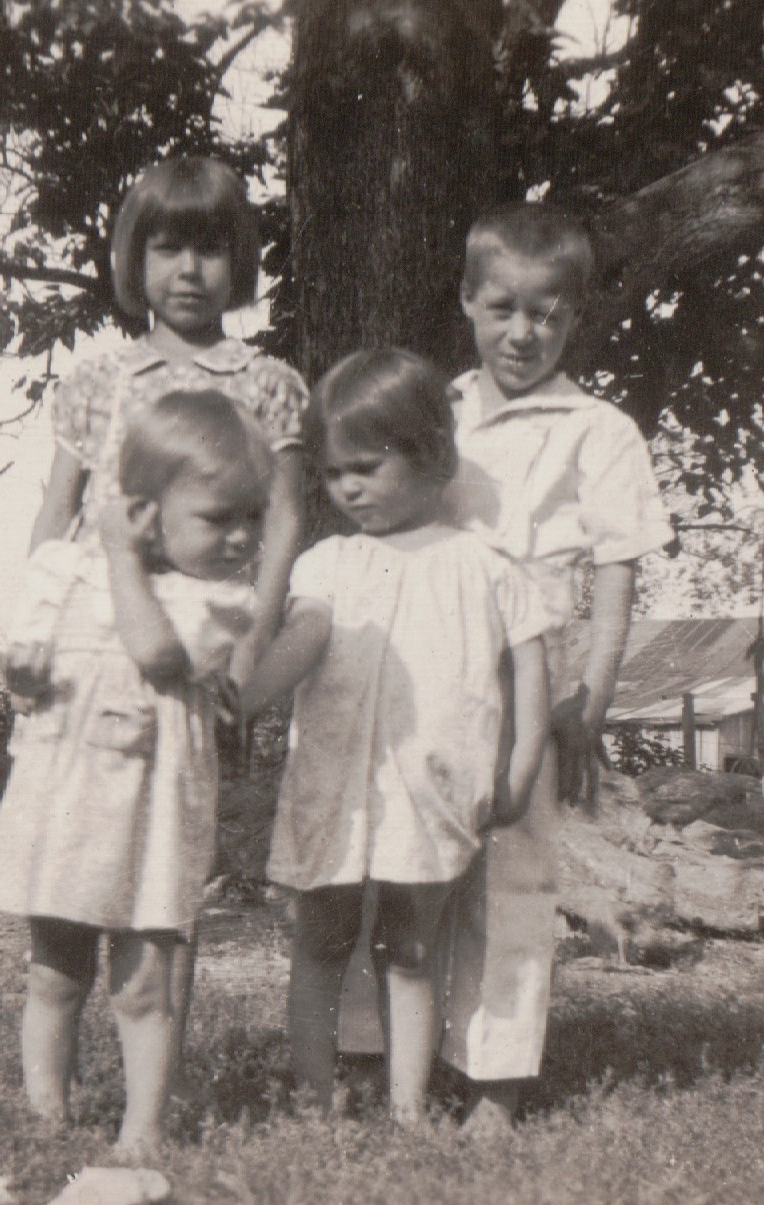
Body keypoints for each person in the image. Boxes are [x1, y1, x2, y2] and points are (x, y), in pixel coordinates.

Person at [26, 154, 310, 1096]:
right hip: (92, 646)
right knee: (67, 868)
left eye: (211, 249)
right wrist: (32, 636)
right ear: (133, 258)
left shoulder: (266, 384)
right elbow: (55, 516)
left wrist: (252, 647)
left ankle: (154, 1091)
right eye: (167, 246)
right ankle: (49, 1101)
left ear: (240, 262)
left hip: (199, 645)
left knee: (166, 872)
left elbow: (283, 524)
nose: (189, 270)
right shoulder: (100, 378)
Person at [241, 348, 553, 1124]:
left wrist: (518, 769)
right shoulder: (330, 562)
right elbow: (304, 639)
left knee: (410, 948)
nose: (346, 487)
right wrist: (241, 694)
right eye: (333, 471)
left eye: (366, 466)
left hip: (434, 789)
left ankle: (406, 1108)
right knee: (320, 937)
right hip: (337, 787)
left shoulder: (483, 565)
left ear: (432, 457)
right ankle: (312, 1102)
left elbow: (531, 668)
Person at [0, 391, 272, 1156]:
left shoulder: (221, 597)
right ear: (144, 508)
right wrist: (24, 671)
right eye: (218, 518)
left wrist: (117, 556)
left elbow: (160, 657)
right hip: (67, 800)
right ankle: (45, 1110)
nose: (241, 537)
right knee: (54, 970)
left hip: (151, 813)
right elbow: (31, 676)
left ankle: (142, 1129)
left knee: (144, 979)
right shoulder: (69, 571)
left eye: (252, 517)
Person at [440, 203, 676, 1131]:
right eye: (502, 307)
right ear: (467, 300)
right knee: (410, 863)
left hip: (526, 676)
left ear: (573, 318)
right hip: (427, 662)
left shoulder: (598, 428)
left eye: (546, 313)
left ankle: (494, 1084)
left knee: (516, 871)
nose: (522, 331)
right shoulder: (437, 408)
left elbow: (617, 568)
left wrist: (592, 697)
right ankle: (388, 1056)